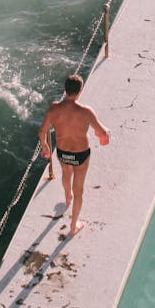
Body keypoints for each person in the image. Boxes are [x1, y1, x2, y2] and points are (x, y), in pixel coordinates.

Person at [39, 73, 110, 236]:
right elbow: (101, 131)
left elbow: (42, 131)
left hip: (63, 152)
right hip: (80, 154)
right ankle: (73, 227)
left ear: (65, 90)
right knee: (79, 189)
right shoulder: (85, 112)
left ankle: (67, 199)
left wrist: (45, 148)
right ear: (80, 91)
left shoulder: (53, 109)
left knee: (65, 173)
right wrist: (106, 133)